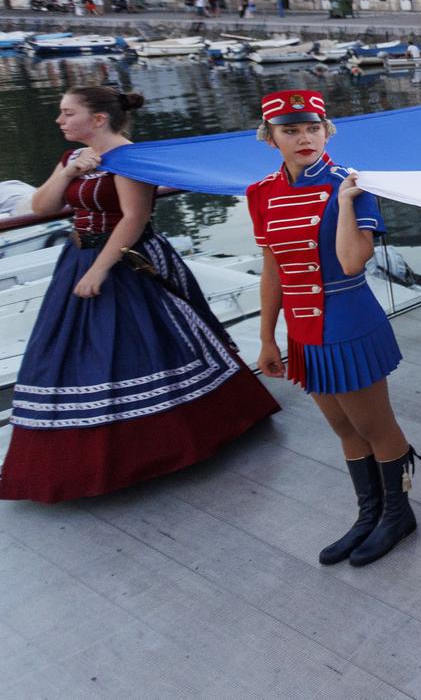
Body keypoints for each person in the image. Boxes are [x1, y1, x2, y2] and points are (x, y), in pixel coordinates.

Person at [0, 86, 280, 502]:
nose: (59, 121)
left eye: (67, 113)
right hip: (77, 259)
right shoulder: (73, 159)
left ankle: (161, 448)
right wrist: (69, 172)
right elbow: (41, 207)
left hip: (127, 262)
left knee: (141, 345)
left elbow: (135, 218)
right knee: (75, 353)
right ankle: (83, 464)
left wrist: (99, 270)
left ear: (98, 119)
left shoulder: (131, 159)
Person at [248, 90, 420, 567]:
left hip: (348, 322)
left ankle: (398, 513)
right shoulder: (261, 193)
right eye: (291, 130)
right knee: (344, 428)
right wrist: (266, 338)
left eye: (313, 128)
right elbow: (273, 271)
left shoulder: (352, 184)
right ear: (271, 139)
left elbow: (350, 262)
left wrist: (344, 204)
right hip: (302, 331)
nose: (305, 138)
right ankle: (370, 514)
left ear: (327, 131)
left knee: (375, 425)